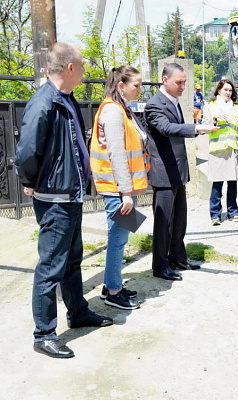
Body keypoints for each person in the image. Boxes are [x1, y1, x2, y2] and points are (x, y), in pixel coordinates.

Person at [15, 42, 113, 359]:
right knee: (51, 266)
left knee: (72, 259)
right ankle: (44, 333)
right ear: (70, 68)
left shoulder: (64, 99)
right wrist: (30, 181)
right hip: (56, 198)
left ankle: (78, 311)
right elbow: (27, 151)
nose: (84, 73)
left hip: (69, 195)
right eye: (82, 67)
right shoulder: (44, 103)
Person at [145, 63, 217, 281]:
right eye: (179, 82)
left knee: (179, 220)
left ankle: (178, 258)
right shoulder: (154, 105)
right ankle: (161, 265)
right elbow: (166, 129)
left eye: (184, 82)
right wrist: (197, 128)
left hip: (177, 170)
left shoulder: (174, 102)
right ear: (165, 79)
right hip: (164, 172)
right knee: (164, 222)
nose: (183, 86)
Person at [90, 65, 147, 310]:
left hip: (119, 186)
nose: (140, 90)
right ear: (121, 85)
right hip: (116, 187)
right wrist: (126, 192)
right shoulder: (113, 111)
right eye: (137, 85)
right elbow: (117, 154)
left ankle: (111, 283)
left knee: (119, 236)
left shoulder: (119, 109)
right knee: (118, 238)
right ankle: (113, 291)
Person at [202, 78, 238, 225]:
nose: (228, 93)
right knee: (217, 184)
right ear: (219, 90)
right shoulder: (210, 106)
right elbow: (204, 126)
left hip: (234, 149)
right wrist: (214, 118)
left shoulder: (237, 106)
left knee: (233, 184)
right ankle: (215, 214)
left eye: (230, 90)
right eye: (225, 90)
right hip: (219, 149)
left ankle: (233, 212)